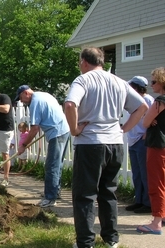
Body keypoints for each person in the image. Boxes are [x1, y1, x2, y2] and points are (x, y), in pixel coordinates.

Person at [64, 46, 148, 248]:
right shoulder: (119, 82)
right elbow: (142, 106)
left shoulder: (83, 80)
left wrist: (75, 129)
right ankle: (111, 239)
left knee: (85, 195)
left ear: (84, 61)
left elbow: (69, 104)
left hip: (91, 143)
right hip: (115, 144)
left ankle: (85, 243)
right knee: (108, 192)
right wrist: (124, 129)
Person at [15, 86, 70, 207]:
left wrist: (24, 145)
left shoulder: (35, 103)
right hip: (63, 130)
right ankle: (55, 191)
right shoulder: (43, 94)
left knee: (51, 166)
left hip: (57, 133)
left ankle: (50, 198)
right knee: (57, 164)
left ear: (26, 93)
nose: (22, 101)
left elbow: (34, 129)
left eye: (21, 98)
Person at [137, 67, 165, 235]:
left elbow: (145, 123)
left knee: (156, 183)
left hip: (157, 145)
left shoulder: (160, 101)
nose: (152, 85)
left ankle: (156, 222)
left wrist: (151, 118)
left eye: (153, 81)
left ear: (161, 82)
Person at [125, 76, 154, 214]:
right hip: (132, 140)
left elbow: (155, 120)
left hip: (142, 140)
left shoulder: (148, 100)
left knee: (144, 173)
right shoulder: (132, 99)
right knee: (136, 173)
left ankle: (148, 203)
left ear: (137, 87)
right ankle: (139, 200)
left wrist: (147, 134)